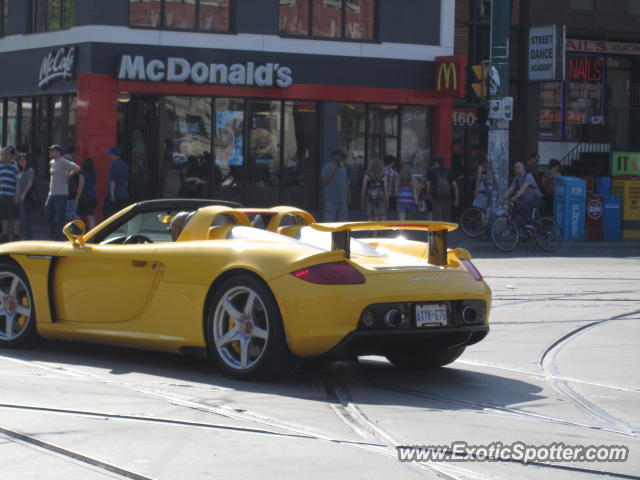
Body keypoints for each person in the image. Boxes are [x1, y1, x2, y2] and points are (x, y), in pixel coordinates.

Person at [45, 144, 80, 240]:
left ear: (58, 152)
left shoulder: (63, 161)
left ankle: (59, 237)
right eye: (50, 151)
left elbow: (77, 167)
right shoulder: (51, 162)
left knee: (60, 217)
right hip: (51, 193)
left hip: (61, 194)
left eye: (53, 151)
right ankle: (53, 234)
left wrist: (68, 175)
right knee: (48, 213)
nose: (50, 153)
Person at [502, 161, 543, 226]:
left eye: (518, 167)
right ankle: (520, 224)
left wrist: (516, 196)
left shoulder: (528, 176)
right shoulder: (516, 178)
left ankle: (529, 223)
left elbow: (523, 188)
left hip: (536, 198)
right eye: (515, 168)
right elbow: (511, 189)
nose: (516, 169)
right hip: (526, 198)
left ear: (523, 168)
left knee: (524, 204)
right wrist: (503, 198)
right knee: (515, 205)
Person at [426, 156, 459, 221]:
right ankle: (445, 230)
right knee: (446, 216)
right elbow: (455, 186)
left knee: (438, 215)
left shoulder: (431, 171)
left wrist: (428, 195)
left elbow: (428, 185)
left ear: (436, 163)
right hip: (448, 197)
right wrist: (457, 199)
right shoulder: (449, 171)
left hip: (436, 197)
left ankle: (438, 230)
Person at [322, 150, 350, 222]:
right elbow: (325, 180)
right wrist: (333, 168)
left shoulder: (343, 168)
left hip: (342, 199)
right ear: (334, 158)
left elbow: (346, 183)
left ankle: (342, 233)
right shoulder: (327, 167)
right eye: (340, 157)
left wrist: (349, 197)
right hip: (331, 199)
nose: (341, 159)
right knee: (329, 219)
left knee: (343, 219)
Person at [0, 146, 20, 242]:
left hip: (12, 195)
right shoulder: (0, 166)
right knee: (4, 216)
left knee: (15, 216)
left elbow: (18, 182)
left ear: (11, 155)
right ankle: (5, 235)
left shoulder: (15, 166)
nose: (4, 156)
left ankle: (16, 235)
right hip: (2, 195)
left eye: (6, 154)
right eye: (2, 154)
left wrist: (16, 194)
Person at [105, 146, 130, 217]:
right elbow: (126, 182)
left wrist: (112, 194)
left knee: (112, 215)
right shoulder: (125, 165)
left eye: (110, 154)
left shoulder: (113, 165)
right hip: (124, 193)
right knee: (122, 214)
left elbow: (112, 181)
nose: (109, 155)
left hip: (116, 194)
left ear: (113, 154)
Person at [16, 153, 35, 240]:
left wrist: (24, 194)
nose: (22, 161)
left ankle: (29, 238)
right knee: (22, 218)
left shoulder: (29, 170)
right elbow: (17, 184)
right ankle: (25, 237)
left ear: (27, 161)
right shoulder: (18, 171)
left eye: (24, 160)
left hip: (26, 197)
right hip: (19, 197)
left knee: (25, 218)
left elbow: (30, 183)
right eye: (20, 160)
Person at [77, 157, 98, 229]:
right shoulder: (93, 174)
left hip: (85, 198)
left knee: (78, 215)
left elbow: (80, 188)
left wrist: (77, 199)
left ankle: (79, 232)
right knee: (90, 216)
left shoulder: (82, 175)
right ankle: (93, 233)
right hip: (93, 196)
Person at [383, 155, 398, 219]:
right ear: (392, 162)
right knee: (386, 213)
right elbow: (396, 185)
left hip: (380, 194)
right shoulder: (394, 173)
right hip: (390, 195)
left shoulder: (381, 171)